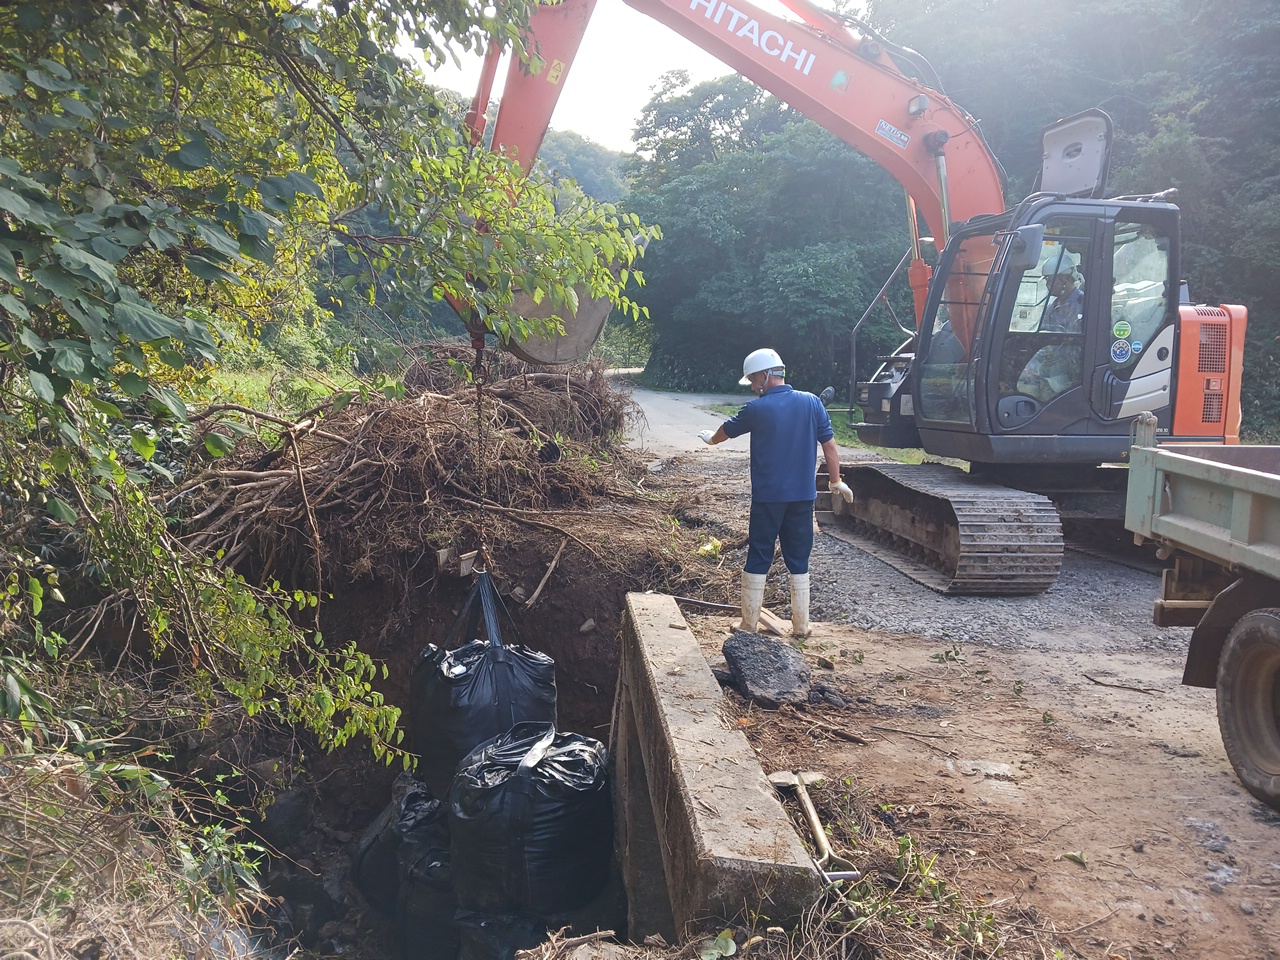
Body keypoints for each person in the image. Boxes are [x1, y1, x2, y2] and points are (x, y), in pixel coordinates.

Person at [697, 348, 854, 638]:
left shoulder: (757, 410)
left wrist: (711, 441)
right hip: (803, 498)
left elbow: (725, 431)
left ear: (764, 376)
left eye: (754, 381)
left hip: (768, 499)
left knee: (759, 554)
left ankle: (748, 624)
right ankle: (801, 626)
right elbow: (829, 446)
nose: (754, 387)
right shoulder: (812, 403)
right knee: (799, 557)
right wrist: (835, 481)